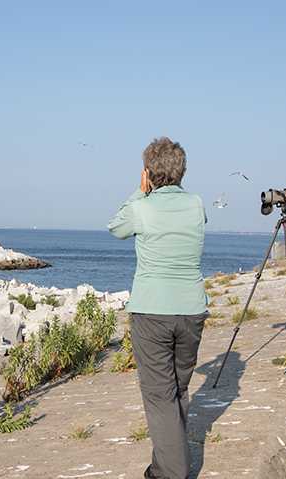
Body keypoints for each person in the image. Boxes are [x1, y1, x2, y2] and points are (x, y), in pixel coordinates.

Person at [107, 137, 210, 479]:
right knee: (177, 390)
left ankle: (173, 472)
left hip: (153, 310)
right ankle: (162, 465)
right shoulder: (196, 204)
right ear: (182, 171)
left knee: (158, 394)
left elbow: (116, 227)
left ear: (148, 173)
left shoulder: (142, 206)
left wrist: (140, 192)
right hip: (192, 309)